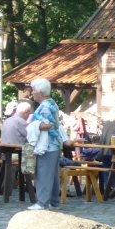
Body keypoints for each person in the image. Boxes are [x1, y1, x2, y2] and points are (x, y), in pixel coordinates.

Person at [27, 79, 76, 211]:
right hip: (54, 145)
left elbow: (49, 125)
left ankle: (42, 202)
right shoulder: (52, 103)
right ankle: (54, 201)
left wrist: (33, 125)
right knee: (53, 174)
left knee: (43, 173)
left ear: (41, 93)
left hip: (46, 145)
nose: (32, 93)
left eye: (34, 90)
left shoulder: (45, 106)